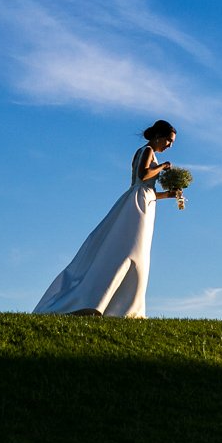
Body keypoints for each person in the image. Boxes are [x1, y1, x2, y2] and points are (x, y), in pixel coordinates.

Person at [33, 120, 182, 318]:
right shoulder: (146, 151)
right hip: (136, 204)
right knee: (129, 250)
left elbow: (148, 189)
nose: (169, 145)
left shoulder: (152, 154)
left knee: (139, 253)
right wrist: (162, 166)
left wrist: (168, 194)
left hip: (147, 202)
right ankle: (97, 300)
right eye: (168, 140)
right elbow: (143, 175)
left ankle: (123, 306)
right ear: (158, 136)